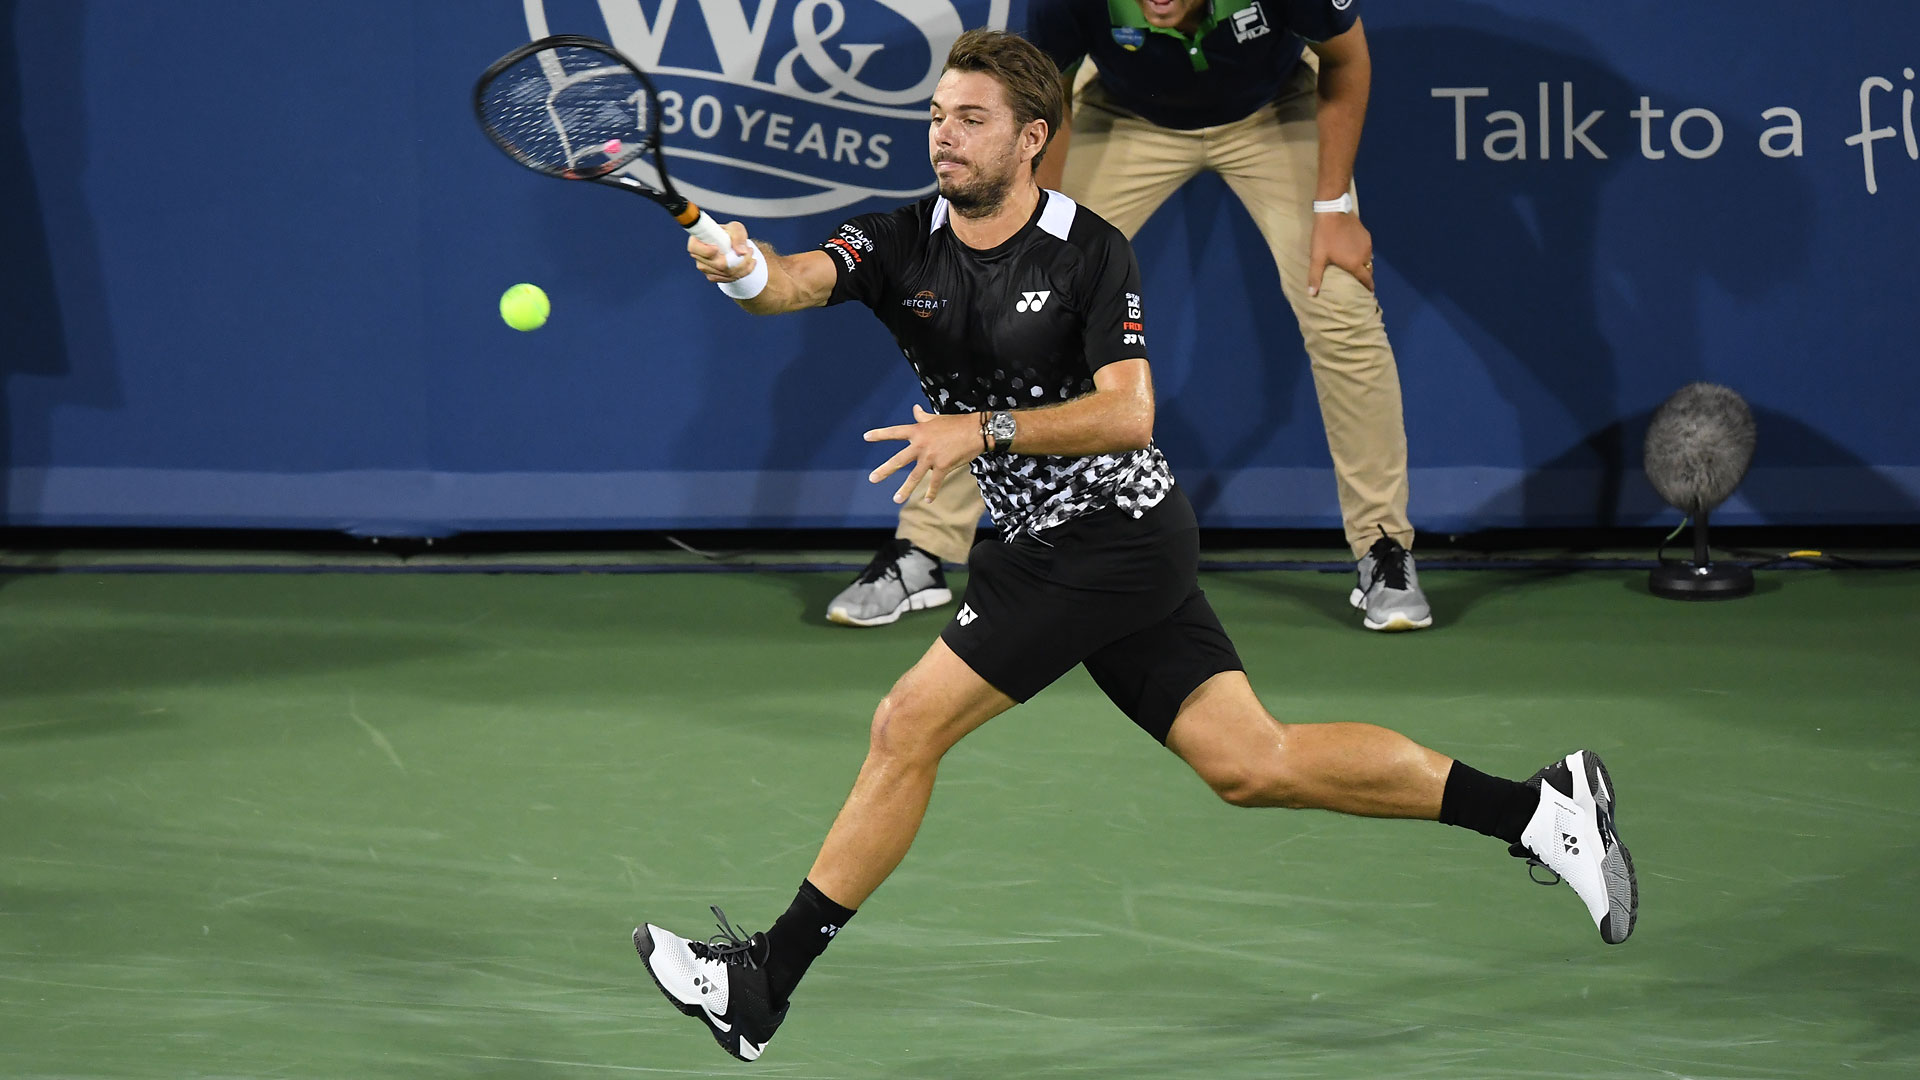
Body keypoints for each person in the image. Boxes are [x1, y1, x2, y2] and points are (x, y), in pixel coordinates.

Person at [634, 29, 1635, 1065]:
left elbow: (1129, 414)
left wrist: (978, 431)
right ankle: (1539, 813)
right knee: (1254, 762)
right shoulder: (896, 242)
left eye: (969, 120)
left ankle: (762, 980)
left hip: (1113, 541)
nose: (944, 136)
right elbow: (791, 281)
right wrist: (743, 264)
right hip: (1036, 548)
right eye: (936, 116)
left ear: (1032, 138)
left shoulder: (1088, 248)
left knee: (906, 726)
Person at [825, 0, 1431, 634]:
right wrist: (1031, 242)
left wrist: (1334, 205)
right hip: (1122, 112)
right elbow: (1043, 91)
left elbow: (1345, 55)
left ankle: (1383, 546)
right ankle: (925, 545)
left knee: (1341, 306)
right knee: (1010, 305)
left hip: (1276, 107)